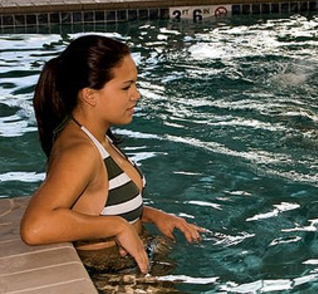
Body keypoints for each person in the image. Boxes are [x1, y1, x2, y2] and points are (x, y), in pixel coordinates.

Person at [19, 35, 203, 275]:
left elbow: (96, 207)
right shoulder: (81, 151)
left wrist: (151, 215)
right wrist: (117, 227)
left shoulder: (95, 136)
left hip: (130, 263)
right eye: (126, 87)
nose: (136, 95)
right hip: (115, 273)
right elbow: (35, 227)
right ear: (90, 95)